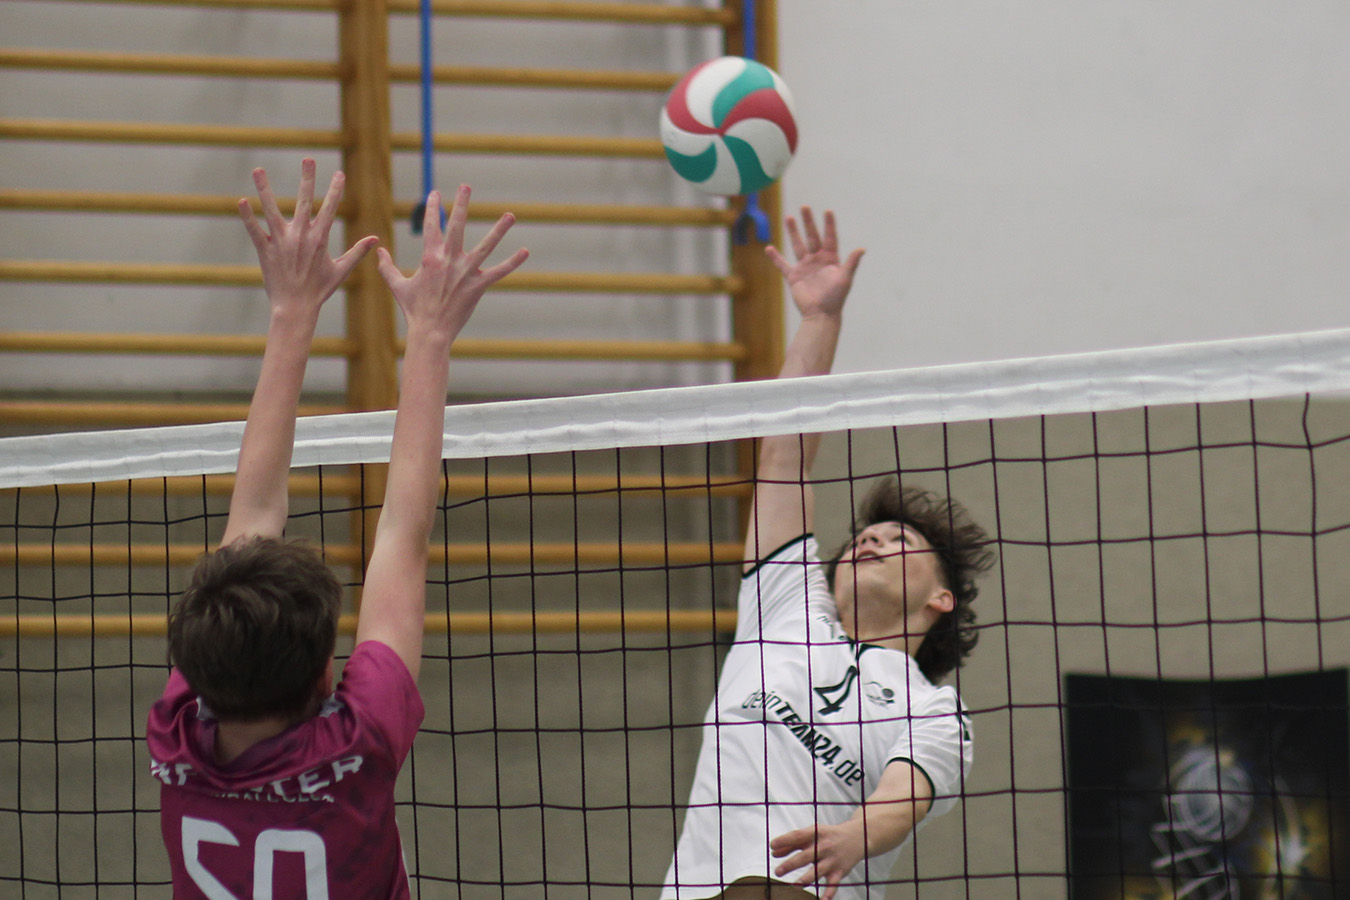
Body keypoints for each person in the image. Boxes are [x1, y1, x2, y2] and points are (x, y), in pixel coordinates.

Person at [146, 160, 527, 898]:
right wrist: (426, 333)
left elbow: (386, 535)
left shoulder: (177, 741)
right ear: (326, 675)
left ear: (196, 662)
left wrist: (298, 314)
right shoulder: (357, 745)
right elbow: (393, 534)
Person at [661, 208, 995, 900]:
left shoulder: (935, 710)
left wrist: (854, 836)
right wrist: (819, 320)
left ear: (941, 598)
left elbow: (906, 795)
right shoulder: (785, 609)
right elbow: (784, 457)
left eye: (901, 542)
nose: (872, 541)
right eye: (865, 538)